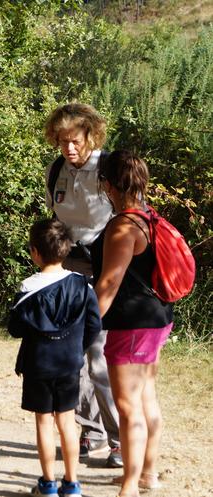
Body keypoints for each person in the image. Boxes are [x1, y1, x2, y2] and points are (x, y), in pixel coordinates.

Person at [43, 103, 122, 468]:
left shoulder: (109, 170)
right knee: (73, 357)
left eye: (74, 141)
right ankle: (89, 433)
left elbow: (130, 221)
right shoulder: (56, 170)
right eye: (61, 142)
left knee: (100, 358)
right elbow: (58, 226)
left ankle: (120, 439)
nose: (68, 149)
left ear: (91, 135)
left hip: (106, 271)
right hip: (69, 271)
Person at [92, 151, 173, 497]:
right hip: (156, 318)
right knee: (145, 400)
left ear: (108, 185)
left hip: (133, 325)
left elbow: (109, 284)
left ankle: (129, 484)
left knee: (127, 406)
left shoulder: (124, 225)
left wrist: (84, 324)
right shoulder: (148, 216)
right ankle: (147, 474)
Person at [8, 218, 101, 497]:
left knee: (44, 423)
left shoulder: (28, 289)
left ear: (35, 252)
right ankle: (72, 484)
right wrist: (77, 348)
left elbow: (15, 329)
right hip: (69, 364)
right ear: (68, 248)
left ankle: (47, 484)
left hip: (38, 366)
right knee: (67, 421)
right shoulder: (83, 285)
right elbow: (94, 325)